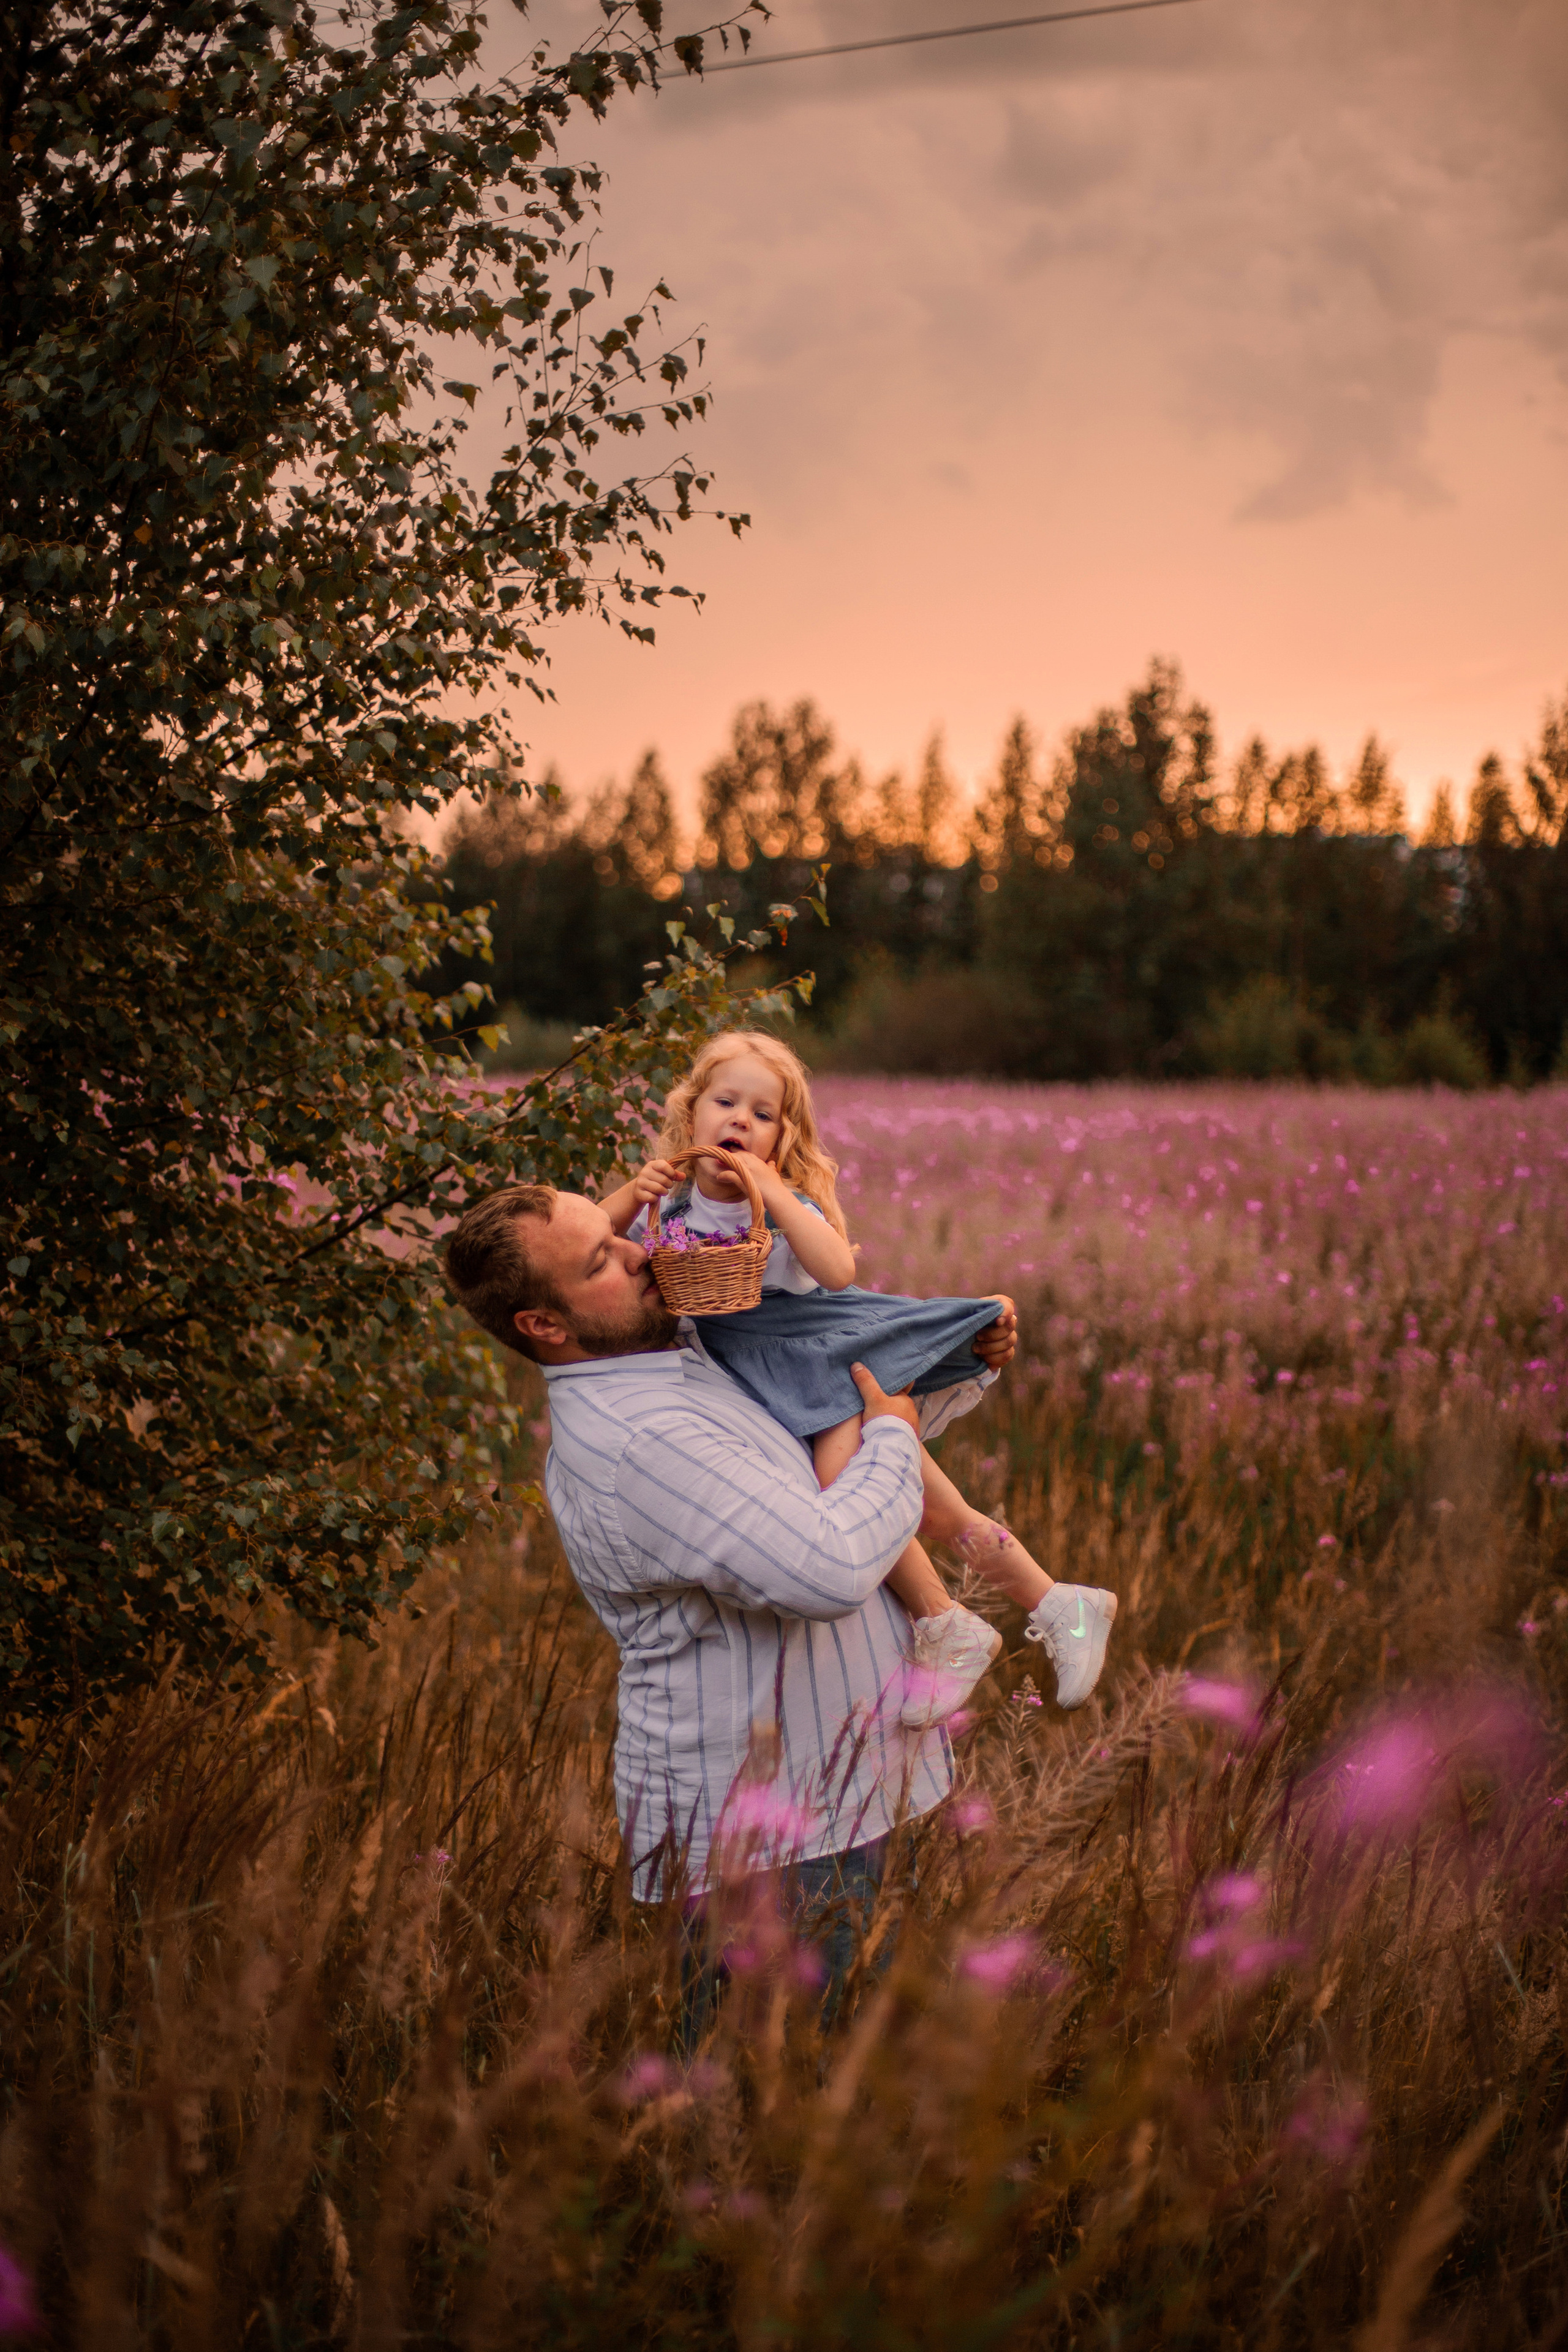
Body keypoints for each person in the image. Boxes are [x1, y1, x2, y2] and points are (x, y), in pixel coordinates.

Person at [442, 1178, 954, 2035]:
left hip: (845, 1798)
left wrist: (962, 1346)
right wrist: (893, 1434)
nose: (640, 1252)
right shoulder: (641, 1439)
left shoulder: (671, 1352)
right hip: (773, 1843)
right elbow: (829, 1568)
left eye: (619, 1232)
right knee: (782, 2092)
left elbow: (822, 1384)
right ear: (544, 1325)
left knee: (868, 2076)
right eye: (602, 1261)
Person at [600, 1030, 1117, 1726]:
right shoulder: (671, 1209)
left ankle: (947, 1622)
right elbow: (584, 1247)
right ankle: (1062, 1606)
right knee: (937, 1511)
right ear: (691, 1113)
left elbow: (839, 1272)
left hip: (822, 1364)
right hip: (766, 1383)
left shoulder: (781, 1206)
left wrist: (777, 1192)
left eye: (762, 1114)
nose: (740, 1120)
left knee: (849, 1489)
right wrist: (628, 1196)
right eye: (725, 1103)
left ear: (781, 1139)